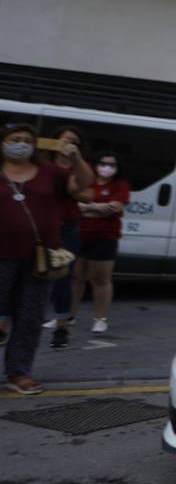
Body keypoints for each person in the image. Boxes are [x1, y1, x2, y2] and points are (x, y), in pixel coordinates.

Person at [1, 122, 91, 393]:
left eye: (27, 139)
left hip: (39, 258)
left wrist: (75, 157)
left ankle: (19, 371)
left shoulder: (50, 172)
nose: (21, 144)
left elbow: (84, 185)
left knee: (30, 316)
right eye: (15, 138)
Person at [43, 125, 88, 349]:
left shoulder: (78, 169)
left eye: (74, 142)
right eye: (65, 139)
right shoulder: (42, 165)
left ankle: (61, 326)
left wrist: (74, 188)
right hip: (40, 225)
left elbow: (87, 192)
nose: (68, 144)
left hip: (67, 226)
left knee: (63, 278)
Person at [73, 150, 128, 334]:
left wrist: (88, 208)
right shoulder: (86, 182)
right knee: (75, 278)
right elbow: (75, 206)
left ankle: (100, 319)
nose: (106, 167)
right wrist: (98, 208)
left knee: (100, 280)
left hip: (105, 238)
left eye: (111, 164)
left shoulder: (120, 185)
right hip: (79, 235)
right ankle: (67, 316)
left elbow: (114, 207)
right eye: (103, 163)